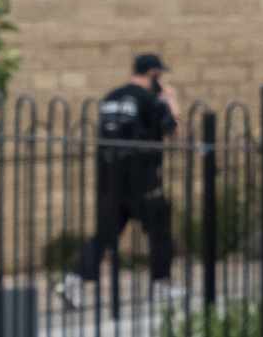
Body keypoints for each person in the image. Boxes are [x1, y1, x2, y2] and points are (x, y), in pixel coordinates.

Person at [65, 52, 180, 307]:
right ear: (154, 75)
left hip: (110, 178)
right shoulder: (151, 100)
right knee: (160, 230)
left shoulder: (110, 98)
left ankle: (73, 280)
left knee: (105, 234)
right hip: (144, 178)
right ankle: (161, 285)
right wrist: (171, 101)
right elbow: (174, 131)